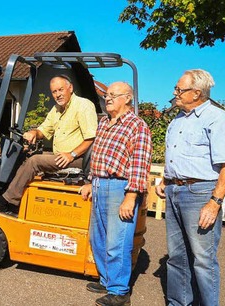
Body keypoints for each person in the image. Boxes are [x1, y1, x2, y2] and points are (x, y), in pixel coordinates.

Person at [154, 69, 225, 306]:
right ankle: (178, 303)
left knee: (202, 258)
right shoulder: (178, 119)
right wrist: (166, 180)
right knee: (177, 256)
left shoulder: (217, 119)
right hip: (175, 192)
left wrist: (214, 202)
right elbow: (179, 157)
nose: (175, 93)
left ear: (197, 93)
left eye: (180, 89)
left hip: (200, 194)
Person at [80, 82, 152, 306]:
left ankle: (120, 292)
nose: (107, 98)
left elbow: (140, 164)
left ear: (128, 98)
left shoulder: (137, 126)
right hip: (101, 184)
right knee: (98, 238)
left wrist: (131, 196)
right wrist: (92, 181)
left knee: (117, 241)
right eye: (106, 94)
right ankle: (107, 280)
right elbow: (98, 156)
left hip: (120, 187)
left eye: (113, 95)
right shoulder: (104, 123)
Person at [0, 75, 97, 213]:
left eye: (60, 90)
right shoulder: (56, 109)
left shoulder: (83, 106)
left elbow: (92, 138)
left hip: (79, 159)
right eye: (54, 92)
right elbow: (44, 129)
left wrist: (71, 155)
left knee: (35, 161)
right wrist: (34, 133)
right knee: (26, 156)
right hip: (62, 156)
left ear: (70, 88)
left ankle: (6, 199)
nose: (58, 94)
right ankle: (16, 199)